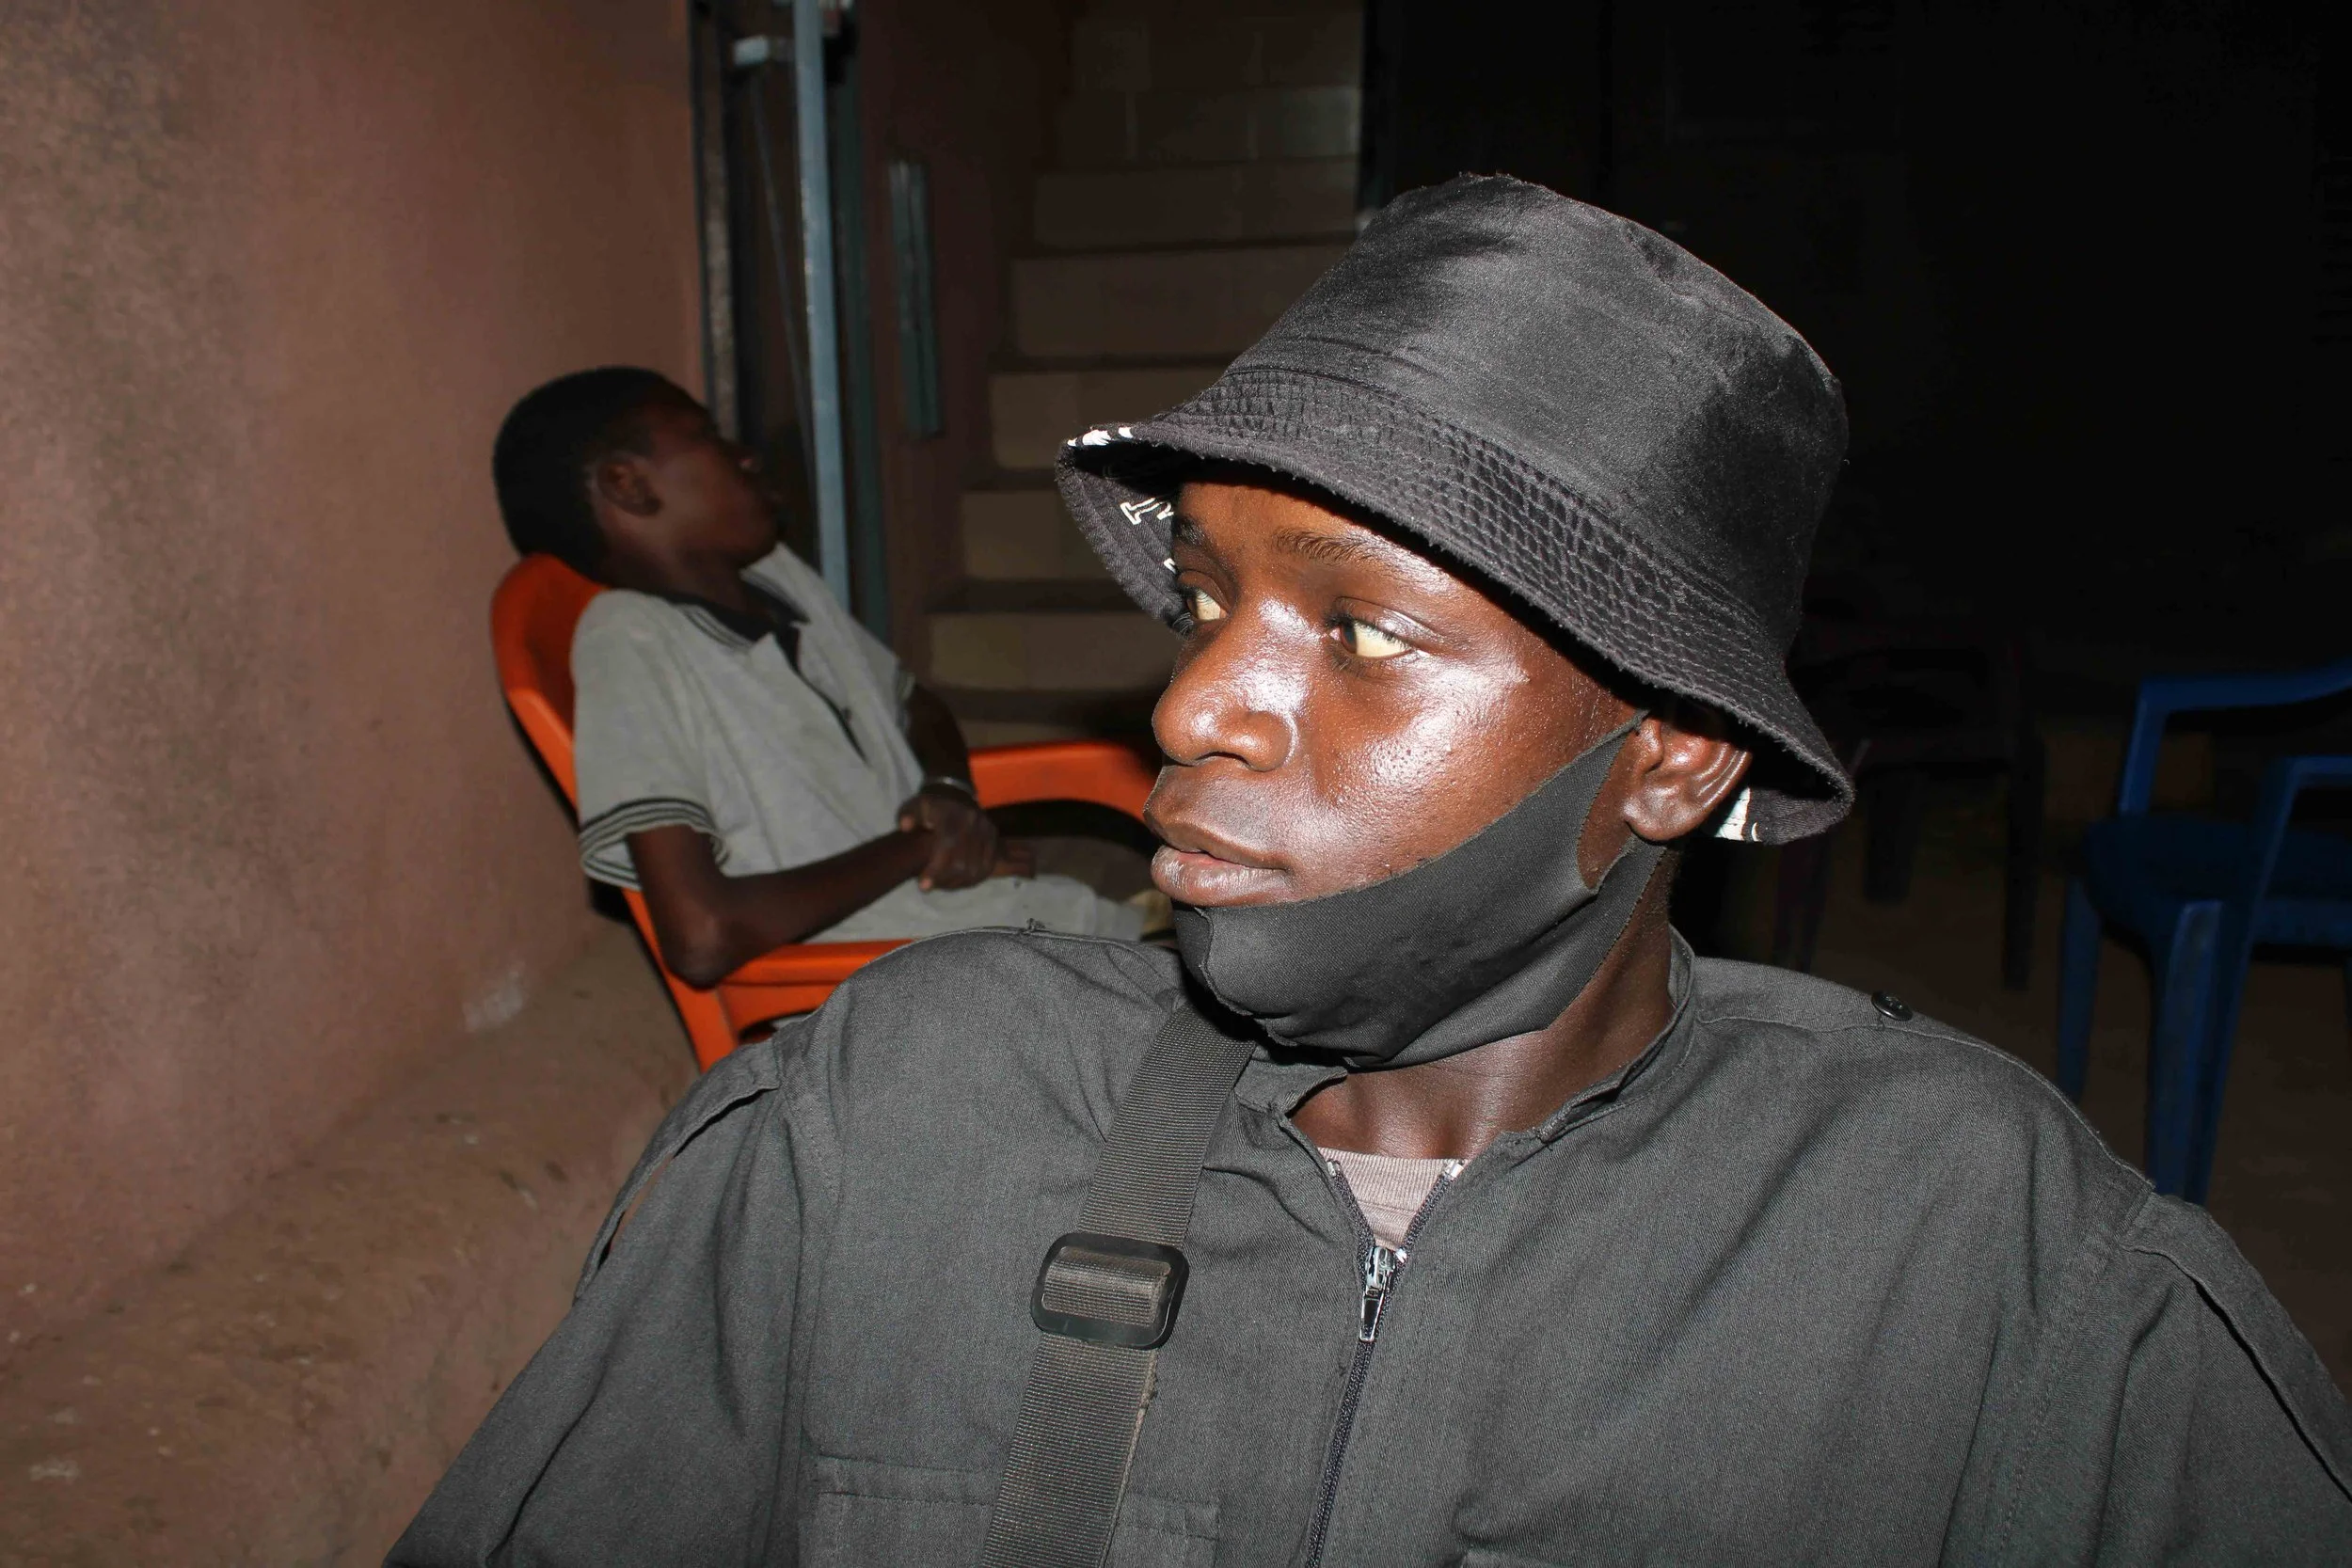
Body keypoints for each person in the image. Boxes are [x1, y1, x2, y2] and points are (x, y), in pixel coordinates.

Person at [397, 180, 2350, 1564]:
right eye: (1206, 599)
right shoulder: (884, 1121)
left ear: (1675, 753)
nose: (1194, 704)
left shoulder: (1975, 1256)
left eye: (1363, 630)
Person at [490, 369, 1146, 986]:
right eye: (707, 437)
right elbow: (702, 934)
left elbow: (915, 703)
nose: (747, 456)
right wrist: (921, 849)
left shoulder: (776, 576)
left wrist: (947, 795)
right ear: (629, 486)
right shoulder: (629, 642)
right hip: (915, 985)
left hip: (1024, 933)